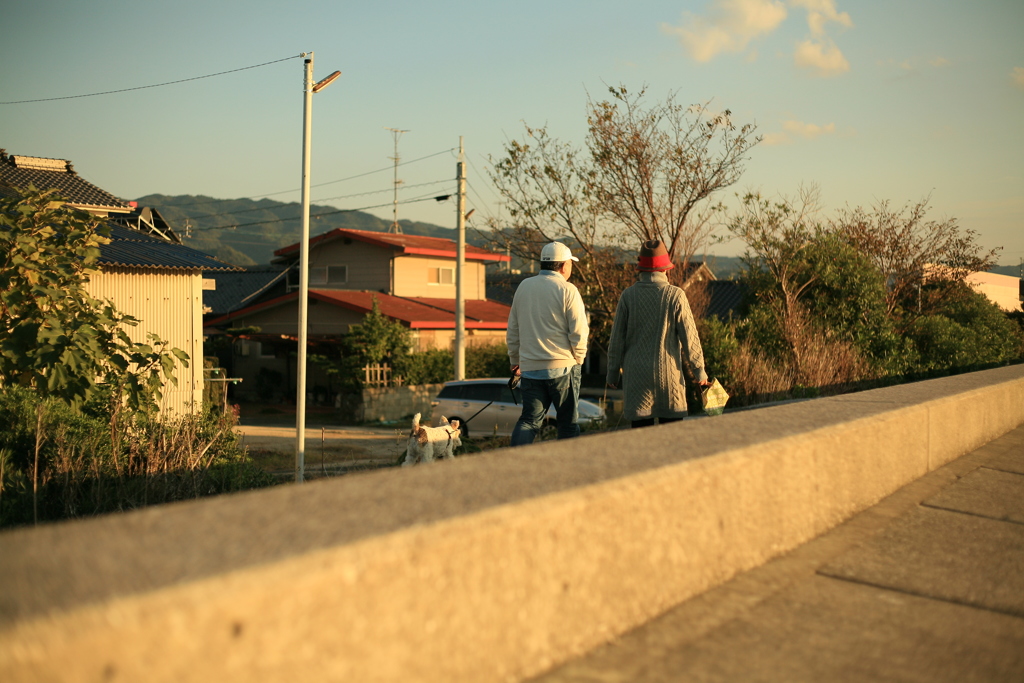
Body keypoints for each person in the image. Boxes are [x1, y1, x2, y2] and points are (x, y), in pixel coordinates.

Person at [605, 239, 709, 429]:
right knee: (670, 440)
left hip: (636, 378)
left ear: (641, 268)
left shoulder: (628, 296)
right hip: (668, 378)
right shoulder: (675, 295)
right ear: (665, 268)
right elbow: (689, 337)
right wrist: (699, 370)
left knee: (641, 439)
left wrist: (612, 373)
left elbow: (616, 340)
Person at [506, 241, 589, 445]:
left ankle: (515, 462)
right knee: (567, 423)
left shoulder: (524, 287)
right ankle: (568, 468)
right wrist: (579, 357)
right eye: (570, 263)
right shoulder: (567, 289)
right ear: (563, 265)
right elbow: (579, 330)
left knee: (529, 421)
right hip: (562, 367)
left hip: (531, 369)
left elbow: (513, 328)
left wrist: (515, 359)